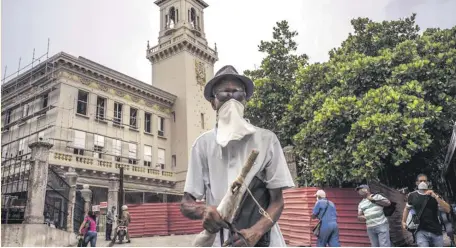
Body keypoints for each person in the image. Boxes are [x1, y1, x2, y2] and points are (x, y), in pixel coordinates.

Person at [180, 65, 295, 247]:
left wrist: (255, 232)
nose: (231, 99)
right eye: (224, 94)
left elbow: (277, 202)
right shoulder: (202, 145)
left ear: (245, 100)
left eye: (237, 93)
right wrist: (203, 210)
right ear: (213, 102)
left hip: (263, 241)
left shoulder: (267, 140)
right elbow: (186, 203)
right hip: (220, 240)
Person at [402, 174, 451, 247]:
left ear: (427, 183)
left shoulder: (435, 195)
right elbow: (407, 208)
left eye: (425, 181)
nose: (423, 183)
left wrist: (435, 196)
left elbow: (448, 209)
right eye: (420, 181)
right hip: (420, 231)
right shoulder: (412, 196)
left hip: (436, 231)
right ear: (417, 183)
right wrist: (403, 221)